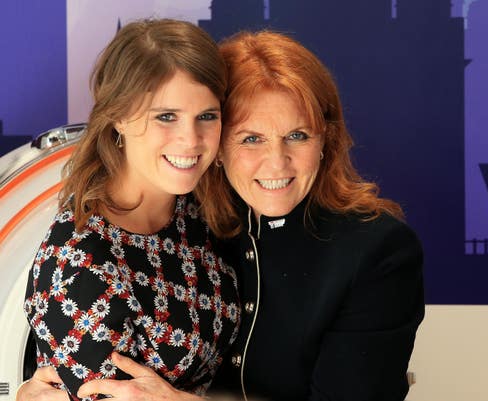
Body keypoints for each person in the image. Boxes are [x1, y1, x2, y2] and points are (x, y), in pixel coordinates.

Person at [19, 30, 424, 401]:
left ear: (326, 139)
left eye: (297, 135)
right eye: (250, 138)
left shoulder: (374, 250)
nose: (275, 163)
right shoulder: (165, 222)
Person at [21, 19, 240, 401]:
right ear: (119, 116)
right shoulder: (80, 268)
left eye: (207, 115)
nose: (191, 140)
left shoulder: (199, 206)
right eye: (166, 116)